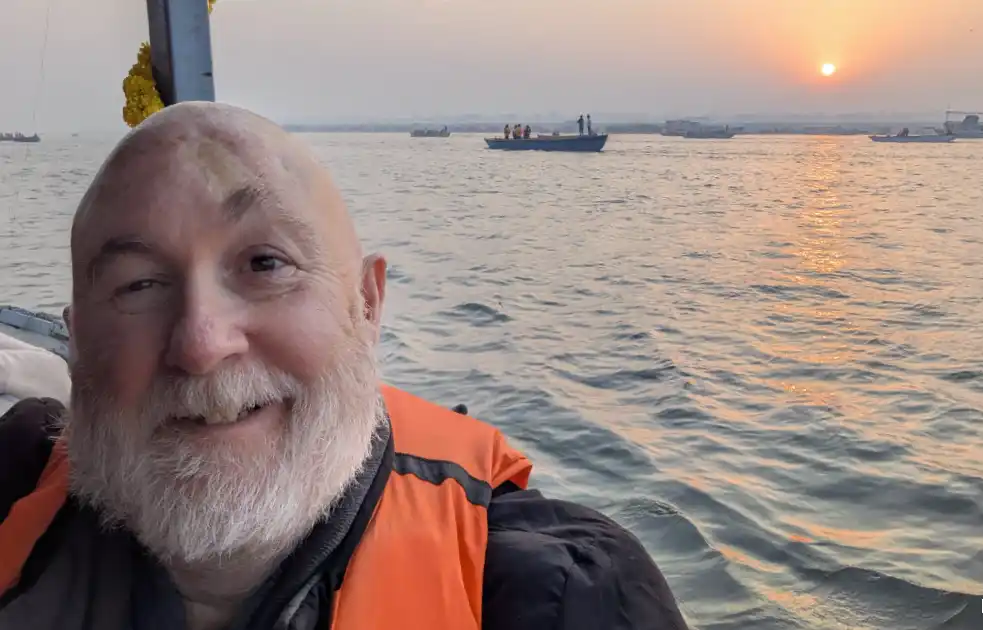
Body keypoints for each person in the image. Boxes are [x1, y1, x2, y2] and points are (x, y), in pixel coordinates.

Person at [0, 102, 687, 630]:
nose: (202, 343)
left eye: (265, 264)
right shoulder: (12, 483)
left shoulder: (555, 594)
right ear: (78, 339)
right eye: (138, 285)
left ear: (367, 302)